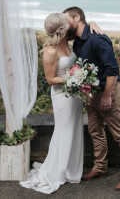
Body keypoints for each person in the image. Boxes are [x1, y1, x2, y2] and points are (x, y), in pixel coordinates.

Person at [19, 12, 101, 194]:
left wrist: (93, 23)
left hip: (75, 95)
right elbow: (50, 79)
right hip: (61, 95)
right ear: (61, 30)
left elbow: (83, 29)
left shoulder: (68, 43)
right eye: (66, 25)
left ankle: (72, 171)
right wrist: (73, 79)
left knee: (75, 130)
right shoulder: (49, 51)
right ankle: (56, 171)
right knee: (63, 131)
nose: (69, 26)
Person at [63, 6, 120, 191]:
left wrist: (106, 95)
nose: (65, 24)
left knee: (119, 133)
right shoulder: (78, 42)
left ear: (76, 17)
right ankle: (100, 167)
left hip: (108, 90)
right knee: (95, 130)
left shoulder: (98, 39)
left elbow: (112, 70)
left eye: (67, 20)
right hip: (91, 92)